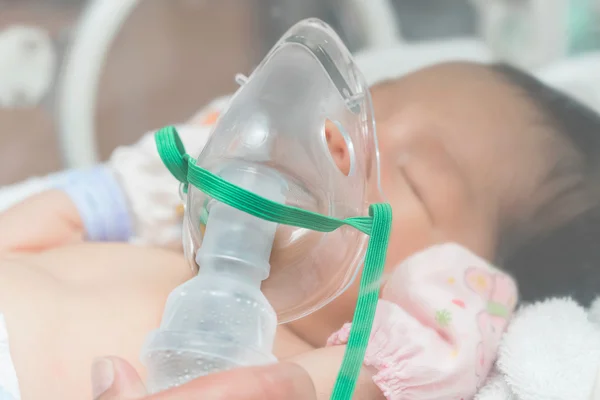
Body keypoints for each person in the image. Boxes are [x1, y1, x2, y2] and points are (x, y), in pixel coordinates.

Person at [0, 61, 599, 399]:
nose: (340, 135)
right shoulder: (160, 241)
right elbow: (37, 226)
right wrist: (107, 196)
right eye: (370, 104)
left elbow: (428, 346)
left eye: (415, 179)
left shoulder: (301, 371)